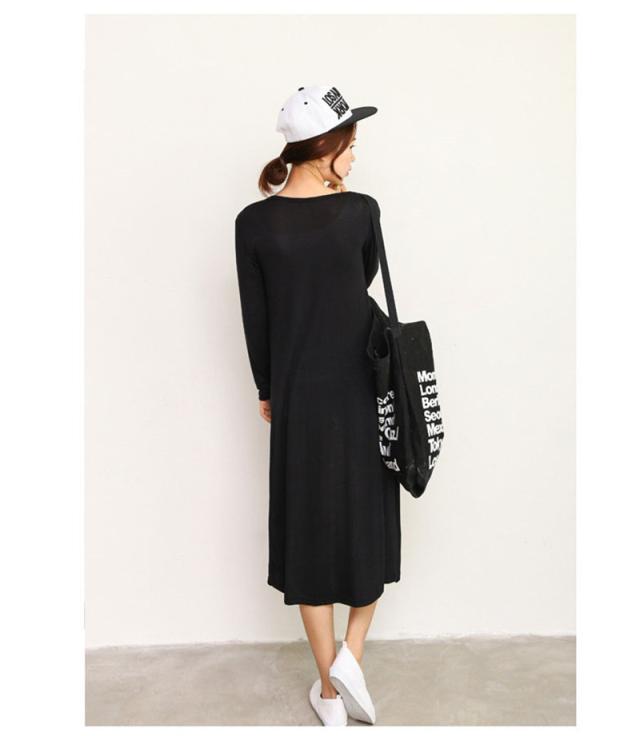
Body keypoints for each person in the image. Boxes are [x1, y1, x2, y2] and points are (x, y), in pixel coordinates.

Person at [234, 84, 401, 726]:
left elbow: (257, 318)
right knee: (366, 521)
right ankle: (351, 658)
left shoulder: (252, 223)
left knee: (307, 529)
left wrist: (268, 389)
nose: (355, 157)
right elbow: (357, 286)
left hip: (299, 395)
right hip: (361, 386)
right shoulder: (361, 212)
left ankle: (329, 694)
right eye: (351, 144)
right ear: (326, 147)